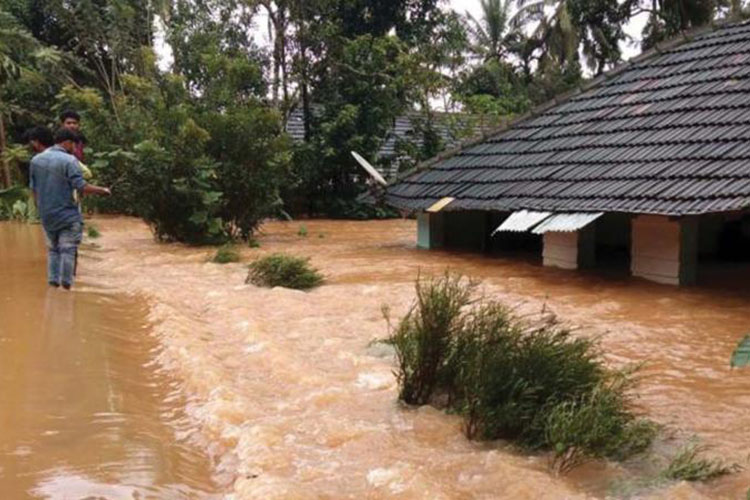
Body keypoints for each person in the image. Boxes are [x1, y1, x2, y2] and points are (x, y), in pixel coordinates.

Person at [29, 129, 111, 290]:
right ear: (67, 142)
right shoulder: (69, 161)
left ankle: (53, 285)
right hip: (67, 214)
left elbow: (33, 189)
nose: (75, 148)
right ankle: (67, 287)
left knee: (53, 250)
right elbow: (81, 186)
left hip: (47, 215)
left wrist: (41, 209)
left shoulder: (36, 160)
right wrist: (103, 190)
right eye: (74, 144)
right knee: (67, 250)